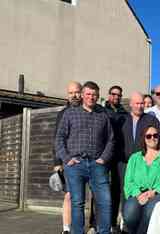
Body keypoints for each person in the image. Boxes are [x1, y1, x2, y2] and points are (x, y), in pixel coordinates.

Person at [55, 81, 115, 234]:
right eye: (88, 94)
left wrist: (104, 158)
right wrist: (67, 159)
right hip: (76, 164)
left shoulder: (103, 115)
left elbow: (111, 139)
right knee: (77, 203)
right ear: (82, 95)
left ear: (98, 96)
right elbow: (59, 138)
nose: (91, 97)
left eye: (94, 95)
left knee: (105, 201)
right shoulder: (70, 113)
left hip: (97, 164)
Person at [117, 92, 160, 231]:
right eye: (137, 103)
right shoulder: (122, 119)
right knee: (126, 193)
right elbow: (114, 139)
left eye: (142, 103)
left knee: (148, 205)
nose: (140, 106)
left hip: (147, 160)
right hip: (125, 162)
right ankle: (126, 224)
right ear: (131, 104)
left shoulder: (150, 119)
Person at [123, 125, 160, 234]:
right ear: (144, 139)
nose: (152, 138)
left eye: (155, 135)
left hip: (159, 193)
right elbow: (128, 181)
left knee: (149, 212)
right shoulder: (134, 158)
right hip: (138, 193)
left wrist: (154, 192)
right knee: (129, 214)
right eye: (148, 136)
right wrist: (138, 194)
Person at [53, 81, 82, 234]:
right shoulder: (62, 114)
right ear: (67, 95)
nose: (74, 96)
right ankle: (66, 229)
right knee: (69, 195)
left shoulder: (89, 111)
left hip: (87, 161)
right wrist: (57, 162)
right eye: (71, 93)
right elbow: (57, 139)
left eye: (76, 92)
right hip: (69, 161)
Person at [102, 85, 128, 233]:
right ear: (109, 95)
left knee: (118, 189)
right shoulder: (102, 111)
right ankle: (97, 223)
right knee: (102, 190)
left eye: (119, 95)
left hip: (120, 157)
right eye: (113, 94)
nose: (116, 97)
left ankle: (116, 223)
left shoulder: (125, 114)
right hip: (105, 156)